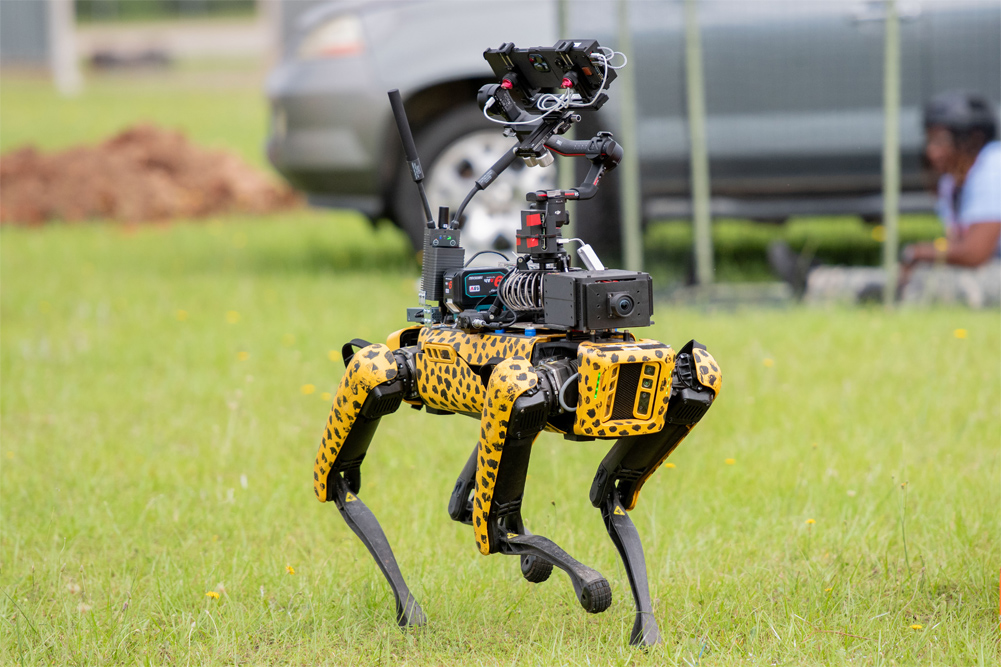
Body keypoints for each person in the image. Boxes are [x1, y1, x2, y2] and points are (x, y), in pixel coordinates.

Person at [770, 91, 1001, 307]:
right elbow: (957, 246)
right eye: (929, 141)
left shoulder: (992, 168)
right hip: (987, 269)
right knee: (915, 278)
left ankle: (821, 285)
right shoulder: (952, 182)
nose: (932, 151)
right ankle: (818, 280)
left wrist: (920, 253)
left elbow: (975, 253)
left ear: (973, 139)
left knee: (930, 287)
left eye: (941, 141)